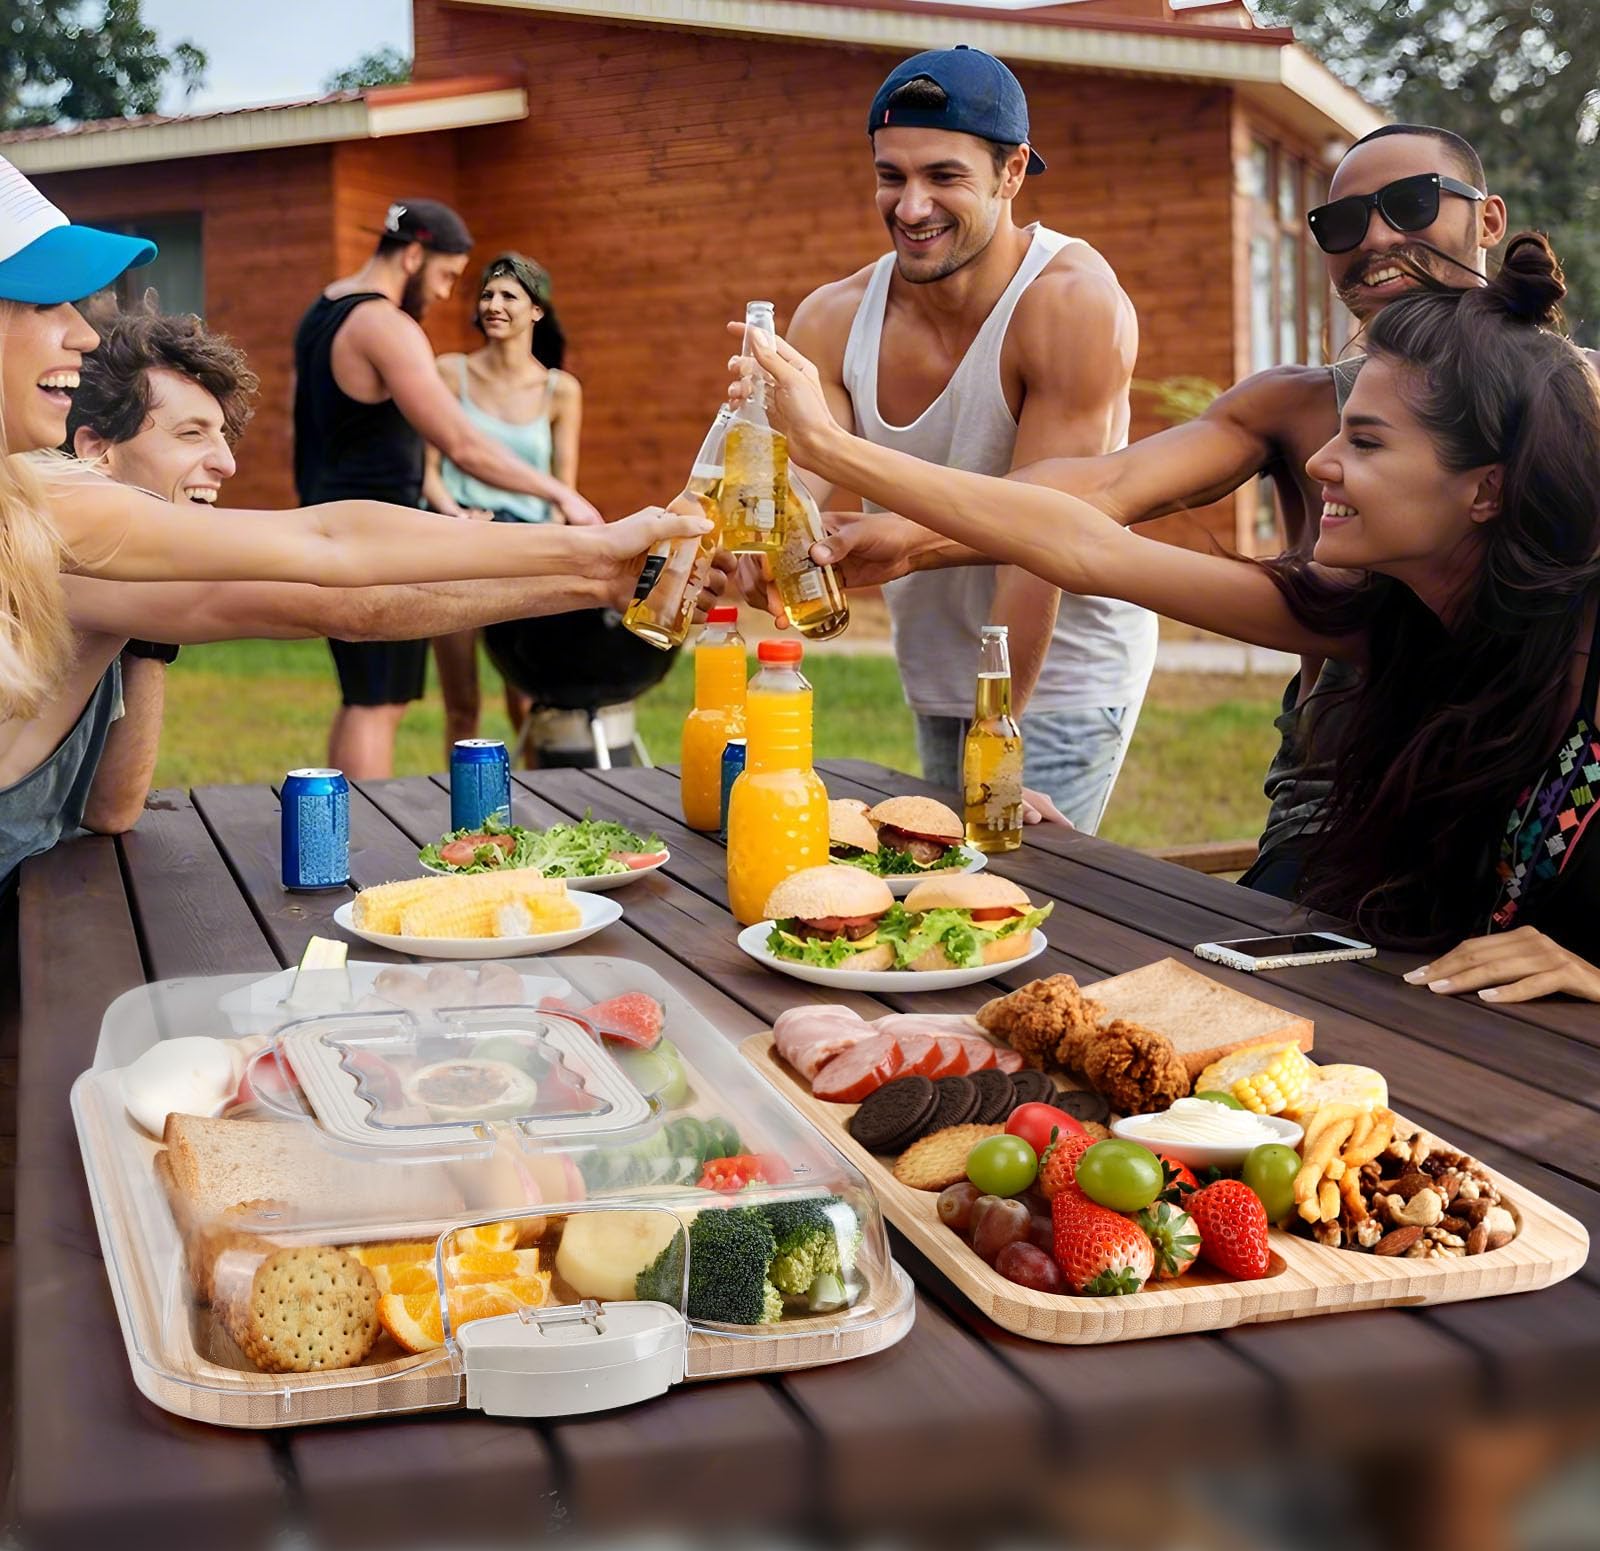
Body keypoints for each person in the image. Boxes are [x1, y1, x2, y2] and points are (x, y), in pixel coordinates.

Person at [738, 233, 1600, 1003]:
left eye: (1367, 443)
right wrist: (838, 460)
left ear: (1486, 487)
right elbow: (1088, 546)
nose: (1323, 462)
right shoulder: (1388, 615)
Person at [0, 162, 707, 884]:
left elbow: (116, 806)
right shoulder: (51, 509)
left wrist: (604, 578)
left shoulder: (45, 521)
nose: (82, 334)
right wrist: (594, 550)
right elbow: (331, 552)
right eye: (41, 300)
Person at [767, 46, 1157, 832]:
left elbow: (1038, 540)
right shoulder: (834, 316)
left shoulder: (1072, 303)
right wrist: (753, 538)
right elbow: (801, 488)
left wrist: (997, 739)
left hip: (1058, 677)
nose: (911, 207)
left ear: (1012, 173)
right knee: (942, 894)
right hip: (936, 663)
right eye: (891, 176)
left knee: (1028, 892)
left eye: (944, 177)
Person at [293, 200, 603, 780]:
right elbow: (463, 446)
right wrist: (562, 496)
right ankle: (354, 845)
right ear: (413, 255)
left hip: (337, 526)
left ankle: (333, 834)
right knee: (378, 703)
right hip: (377, 538)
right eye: (446, 277)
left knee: (365, 695)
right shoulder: (385, 324)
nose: (445, 295)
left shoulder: (324, 309)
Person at [422, 252, 581, 753]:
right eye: (487, 295)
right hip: (456, 546)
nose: (494, 304)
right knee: (462, 703)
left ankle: (532, 810)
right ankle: (461, 819)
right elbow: (426, 470)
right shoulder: (450, 373)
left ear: (537, 310)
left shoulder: (561, 391)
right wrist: (453, 512)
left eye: (509, 295)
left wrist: (548, 551)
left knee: (528, 700)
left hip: (524, 555)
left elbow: (563, 491)